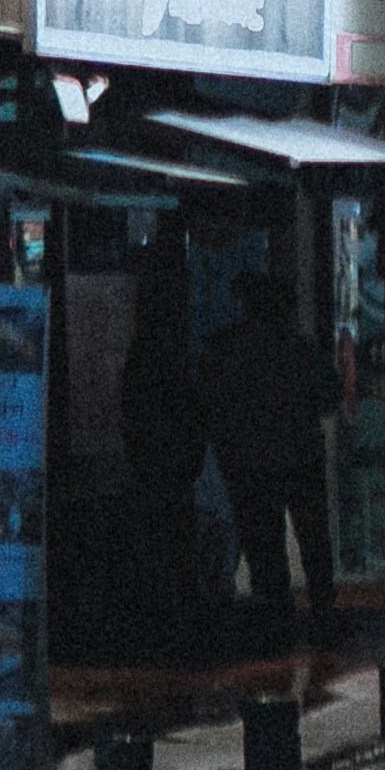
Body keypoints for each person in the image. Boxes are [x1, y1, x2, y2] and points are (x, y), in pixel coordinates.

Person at [196, 258, 338, 641]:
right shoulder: (302, 351)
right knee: (313, 539)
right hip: (300, 456)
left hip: (249, 462)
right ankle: (323, 609)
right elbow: (329, 398)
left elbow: (210, 402)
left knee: (265, 544)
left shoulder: (227, 350)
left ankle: (277, 614)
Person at [114, 216, 210, 652]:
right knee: (171, 544)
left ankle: (162, 617)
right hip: (168, 468)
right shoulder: (171, 357)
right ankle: (175, 618)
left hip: (155, 467)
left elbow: (134, 410)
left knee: (158, 544)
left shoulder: (146, 356)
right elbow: (186, 410)